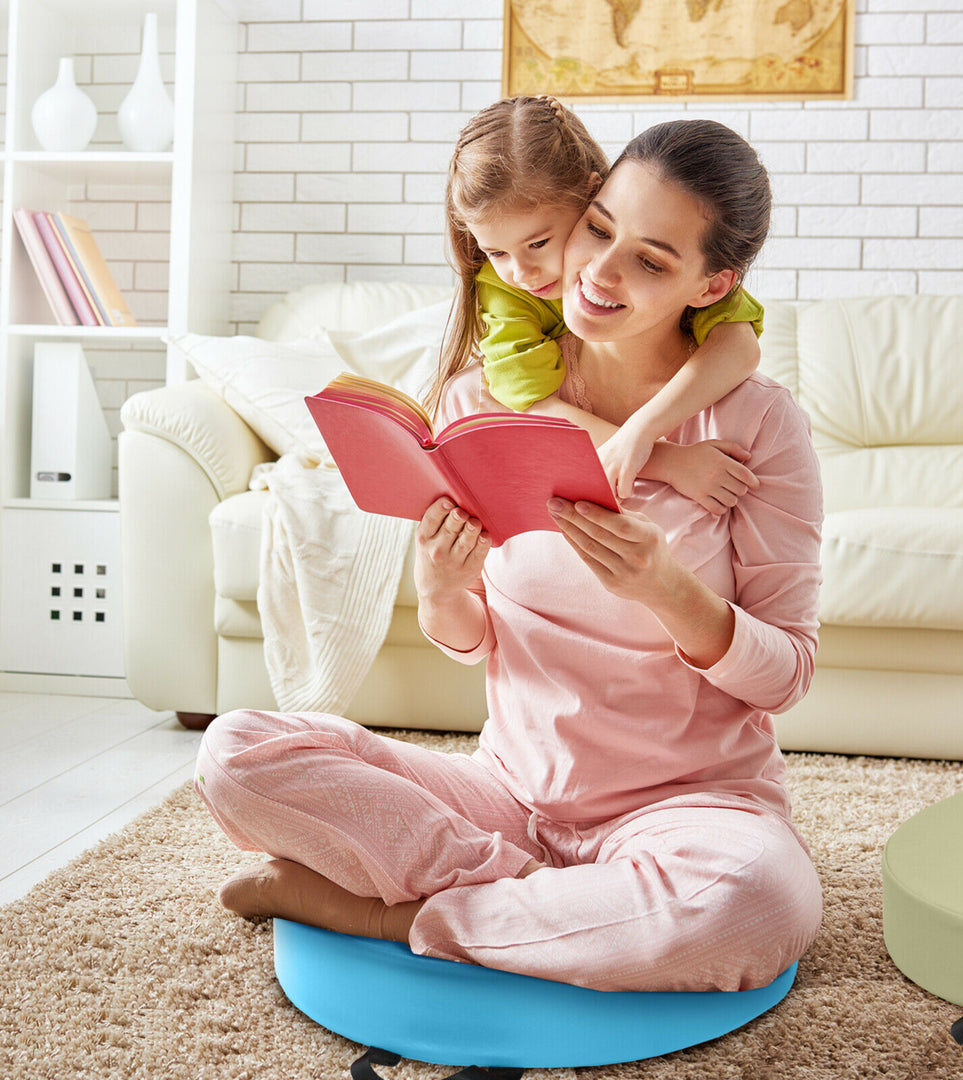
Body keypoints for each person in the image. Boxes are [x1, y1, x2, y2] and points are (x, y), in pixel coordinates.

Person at [194, 118, 824, 994]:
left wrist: (669, 591)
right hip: (509, 797)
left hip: (689, 806)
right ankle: (548, 901)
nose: (599, 272)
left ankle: (393, 912)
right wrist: (441, 587)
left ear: (712, 283)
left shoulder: (756, 423)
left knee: (752, 902)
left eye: (651, 259)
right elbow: (477, 642)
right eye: (599, 229)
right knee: (235, 754)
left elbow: (786, 675)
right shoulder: (478, 397)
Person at [439, 94, 764, 509]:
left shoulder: (685, 274)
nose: (521, 274)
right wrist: (667, 462)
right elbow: (532, 407)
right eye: (496, 253)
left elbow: (739, 344)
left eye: (539, 243)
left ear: (590, 195)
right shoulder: (507, 292)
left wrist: (643, 429)